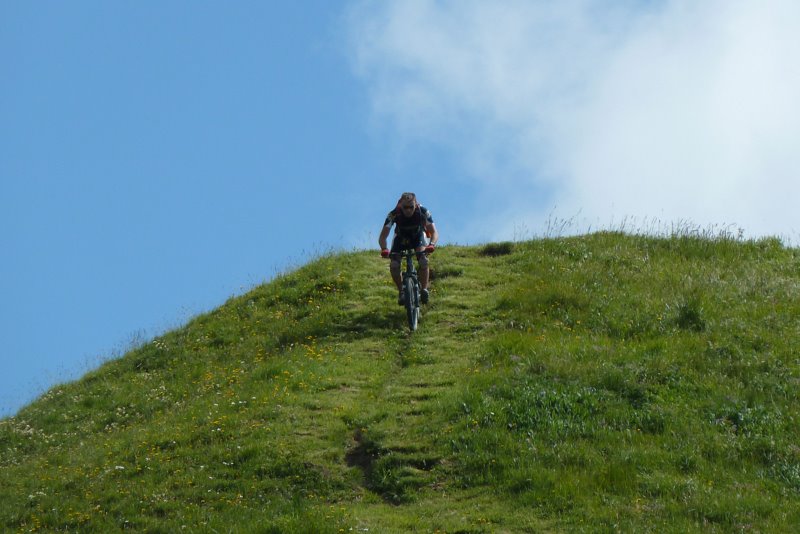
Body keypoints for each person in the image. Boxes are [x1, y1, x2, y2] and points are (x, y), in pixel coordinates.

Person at [379, 192, 439, 305]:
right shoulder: (393, 214)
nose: (408, 210)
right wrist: (384, 249)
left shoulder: (423, 211)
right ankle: (401, 291)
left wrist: (432, 244)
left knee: (423, 260)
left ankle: (424, 289)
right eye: (405, 207)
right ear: (400, 205)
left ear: (415, 205)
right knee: (394, 265)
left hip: (418, 237)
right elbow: (383, 236)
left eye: (411, 207)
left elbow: (434, 232)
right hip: (400, 238)